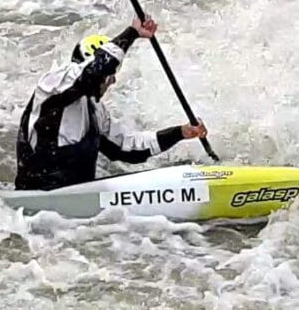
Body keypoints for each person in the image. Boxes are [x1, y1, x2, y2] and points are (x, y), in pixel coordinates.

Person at [15, 17, 208, 190]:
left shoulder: (96, 112)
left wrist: (180, 133)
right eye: (110, 77)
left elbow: (126, 148)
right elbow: (96, 69)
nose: (112, 81)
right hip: (38, 196)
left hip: (74, 204)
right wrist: (132, 33)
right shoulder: (53, 85)